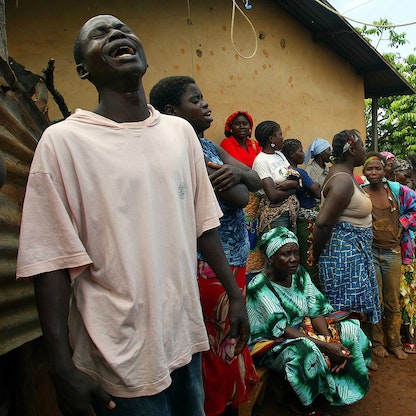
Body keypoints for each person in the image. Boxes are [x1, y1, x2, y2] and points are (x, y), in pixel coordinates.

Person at [16, 16, 250, 416]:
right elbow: (49, 260)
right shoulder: (63, 142)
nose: (118, 34)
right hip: (118, 356)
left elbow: (203, 224)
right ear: (83, 69)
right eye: (100, 33)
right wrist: (59, 364)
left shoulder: (179, 133)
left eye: (123, 28)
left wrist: (235, 294)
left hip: (184, 339)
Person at [149, 75, 261, 416]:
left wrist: (238, 174)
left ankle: (223, 404)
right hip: (209, 264)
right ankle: (215, 408)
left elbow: (256, 180)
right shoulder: (187, 149)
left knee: (229, 341)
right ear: (172, 111)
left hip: (231, 259)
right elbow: (242, 197)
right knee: (217, 347)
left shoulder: (210, 147)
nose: (206, 105)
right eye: (196, 101)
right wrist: (239, 178)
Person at [247, 227, 372, 416]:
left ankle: (336, 382)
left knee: (351, 330)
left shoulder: (299, 274)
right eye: (285, 254)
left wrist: (331, 341)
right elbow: (282, 329)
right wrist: (326, 347)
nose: (293, 259)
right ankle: (307, 405)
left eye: (295, 252)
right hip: (271, 340)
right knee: (304, 351)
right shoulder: (259, 286)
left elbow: (316, 310)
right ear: (271, 258)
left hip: (302, 329)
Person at [311, 129, 381, 325]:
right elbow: (323, 223)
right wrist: (316, 256)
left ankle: (353, 351)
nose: (365, 151)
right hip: (343, 256)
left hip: (351, 253)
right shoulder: (342, 180)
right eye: (362, 147)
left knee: (351, 312)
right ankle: (347, 352)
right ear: (351, 150)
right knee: (344, 313)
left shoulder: (346, 175)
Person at [362, 152, 416, 360]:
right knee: (376, 299)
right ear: (364, 172)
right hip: (371, 253)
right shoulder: (360, 193)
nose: (373, 172)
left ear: (386, 170)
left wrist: (402, 224)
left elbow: (414, 209)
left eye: (378, 168)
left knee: (393, 300)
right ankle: (377, 342)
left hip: (393, 252)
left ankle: (394, 342)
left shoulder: (397, 191)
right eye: (369, 169)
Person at [220, 110, 263, 281]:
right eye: (237, 123)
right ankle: (243, 273)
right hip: (240, 195)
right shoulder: (227, 144)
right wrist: (251, 173)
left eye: (245, 123)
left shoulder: (254, 145)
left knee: (255, 235)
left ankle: (255, 271)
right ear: (230, 127)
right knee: (243, 232)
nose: (242, 126)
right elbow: (244, 168)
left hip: (257, 197)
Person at [282, 139, 321, 288]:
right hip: (308, 221)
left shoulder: (284, 170)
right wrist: (316, 185)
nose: (303, 154)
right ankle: (314, 295)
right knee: (310, 259)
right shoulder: (299, 172)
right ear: (292, 154)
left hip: (296, 218)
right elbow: (317, 192)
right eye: (300, 151)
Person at [252, 121, 300, 235]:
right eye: (280, 134)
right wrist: (294, 188)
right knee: (279, 251)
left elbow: (296, 178)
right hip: (275, 218)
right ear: (272, 139)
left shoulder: (279, 155)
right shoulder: (261, 161)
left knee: (292, 249)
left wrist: (291, 184)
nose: (282, 138)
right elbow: (273, 196)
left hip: (291, 213)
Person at [391, 158, 416, 354]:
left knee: (406, 293)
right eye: (405, 176)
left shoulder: (407, 194)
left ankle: (409, 335)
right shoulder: (386, 191)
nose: (409, 180)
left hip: (406, 252)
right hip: (388, 251)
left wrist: (401, 224)